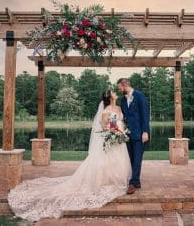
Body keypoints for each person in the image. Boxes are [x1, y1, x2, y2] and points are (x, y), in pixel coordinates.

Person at [8, 90, 131, 221]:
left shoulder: (118, 107)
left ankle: (114, 181)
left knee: (117, 162)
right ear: (109, 96)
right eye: (113, 92)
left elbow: (121, 121)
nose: (115, 93)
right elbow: (103, 125)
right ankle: (102, 183)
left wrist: (121, 131)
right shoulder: (106, 109)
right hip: (110, 138)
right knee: (103, 162)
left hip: (119, 141)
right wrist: (113, 132)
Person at [117, 78, 150, 195]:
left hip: (140, 133)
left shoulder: (139, 96)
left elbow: (145, 115)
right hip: (128, 134)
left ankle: (132, 183)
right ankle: (137, 181)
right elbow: (123, 117)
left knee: (137, 158)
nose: (119, 90)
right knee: (131, 159)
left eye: (120, 88)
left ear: (125, 84)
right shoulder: (122, 100)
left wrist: (145, 131)